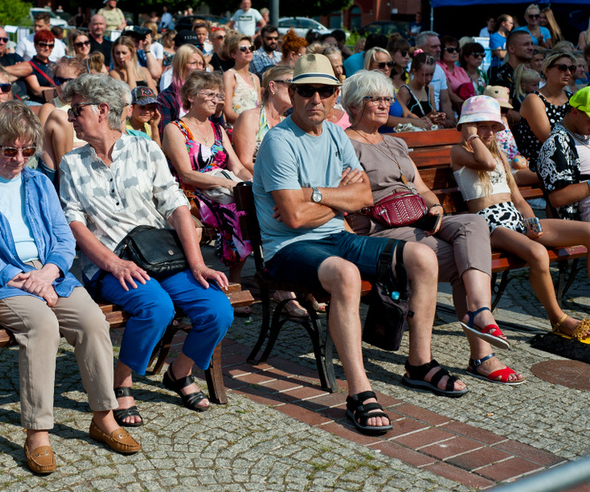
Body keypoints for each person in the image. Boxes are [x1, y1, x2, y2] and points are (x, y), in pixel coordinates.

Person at [252, 54, 457, 435]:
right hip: (286, 249)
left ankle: (419, 363)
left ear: (335, 97)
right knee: (345, 275)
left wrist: (312, 195)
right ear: (292, 94)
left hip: (336, 236)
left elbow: (364, 197)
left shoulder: (334, 134)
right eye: (306, 90)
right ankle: (358, 390)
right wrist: (335, 197)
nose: (316, 98)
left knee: (422, 257)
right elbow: (293, 220)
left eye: (325, 91)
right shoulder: (279, 142)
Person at [0, 102, 139, 473]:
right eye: (9, 150)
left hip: (49, 275)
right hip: (4, 281)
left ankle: (104, 417)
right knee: (42, 327)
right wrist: (17, 276)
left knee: (92, 324)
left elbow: (63, 239)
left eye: (27, 150)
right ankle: (37, 432)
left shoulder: (38, 182)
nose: (19, 159)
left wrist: (49, 273)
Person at [59, 73, 233, 425]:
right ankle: (121, 382)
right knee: (155, 307)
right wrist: (113, 264)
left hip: (160, 255)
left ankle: (179, 372)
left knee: (217, 308)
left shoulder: (145, 148)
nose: (69, 117)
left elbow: (175, 206)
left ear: (101, 110)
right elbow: (74, 224)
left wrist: (197, 263)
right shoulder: (71, 163)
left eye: (76, 109)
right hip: (109, 263)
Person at [343, 71, 522, 385]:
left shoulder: (395, 143)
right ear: (355, 105)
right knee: (457, 261)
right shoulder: (345, 144)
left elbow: (421, 188)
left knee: (473, 222)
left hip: (420, 218)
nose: (385, 105)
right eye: (376, 99)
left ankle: (480, 312)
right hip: (380, 228)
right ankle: (478, 356)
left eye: (387, 98)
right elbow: (345, 196)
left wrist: (435, 205)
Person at [451, 96, 590, 343]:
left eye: (494, 127)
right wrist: (471, 135)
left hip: (514, 219)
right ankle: (558, 318)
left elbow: (518, 200)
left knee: (588, 232)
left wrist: (531, 221)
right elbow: (485, 161)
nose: (490, 132)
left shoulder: (500, 156)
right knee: (537, 253)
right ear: (468, 125)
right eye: (483, 126)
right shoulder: (460, 151)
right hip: (487, 225)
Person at [163, 71, 253, 282]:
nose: (216, 100)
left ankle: (237, 279)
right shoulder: (175, 129)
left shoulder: (218, 128)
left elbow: (237, 167)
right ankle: (220, 279)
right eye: (210, 94)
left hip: (223, 188)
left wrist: (250, 183)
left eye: (219, 95)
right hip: (191, 192)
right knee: (236, 211)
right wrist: (228, 183)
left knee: (254, 206)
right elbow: (186, 174)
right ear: (191, 97)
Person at [515, 50, 576, 170]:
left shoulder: (571, 98)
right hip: (540, 163)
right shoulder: (534, 99)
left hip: (569, 159)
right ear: (547, 71)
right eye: (562, 68)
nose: (568, 72)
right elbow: (548, 139)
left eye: (571, 68)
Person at [538, 86, 590, 222]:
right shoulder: (557, 143)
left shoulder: (585, 134)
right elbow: (557, 198)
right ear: (574, 111)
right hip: (580, 225)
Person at [364, 48, 429, 132]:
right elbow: (382, 118)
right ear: (369, 67)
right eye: (381, 65)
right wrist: (413, 122)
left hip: (396, 137)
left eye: (390, 64)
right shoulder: (367, 89)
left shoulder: (391, 88)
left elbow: (407, 113)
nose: (387, 68)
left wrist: (423, 121)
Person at [40, 58, 84, 183]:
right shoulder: (49, 108)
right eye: (59, 80)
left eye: (70, 81)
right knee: (61, 117)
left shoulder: (87, 105)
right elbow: (43, 146)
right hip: (57, 168)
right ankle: (65, 184)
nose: (63, 86)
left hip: (84, 160)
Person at [157, 44, 206, 131]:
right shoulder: (166, 98)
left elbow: (218, 131)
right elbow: (165, 133)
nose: (199, 67)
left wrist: (218, 114)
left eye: (201, 64)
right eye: (193, 63)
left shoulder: (209, 94)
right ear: (181, 65)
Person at [395, 52, 446, 128]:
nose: (429, 78)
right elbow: (403, 118)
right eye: (425, 75)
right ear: (414, 71)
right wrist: (425, 119)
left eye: (431, 74)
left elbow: (433, 113)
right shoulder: (405, 91)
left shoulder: (429, 88)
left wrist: (437, 117)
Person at [222, 34, 260, 124]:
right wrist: (248, 123)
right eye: (243, 49)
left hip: (256, 128)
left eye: (251, 48)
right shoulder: (229, 75)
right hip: (238, 127)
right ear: (233, 54)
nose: (248, 51)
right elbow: (228, 111)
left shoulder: (256, 78)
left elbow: (259, 107)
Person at [23, 30, 58, 103]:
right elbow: (36, 90)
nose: (47, 48)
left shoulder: (55, 65)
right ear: (35, 45)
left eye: (51, 46)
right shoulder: (29, 66)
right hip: (38, 104)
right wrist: (60, 91)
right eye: (43, 45)